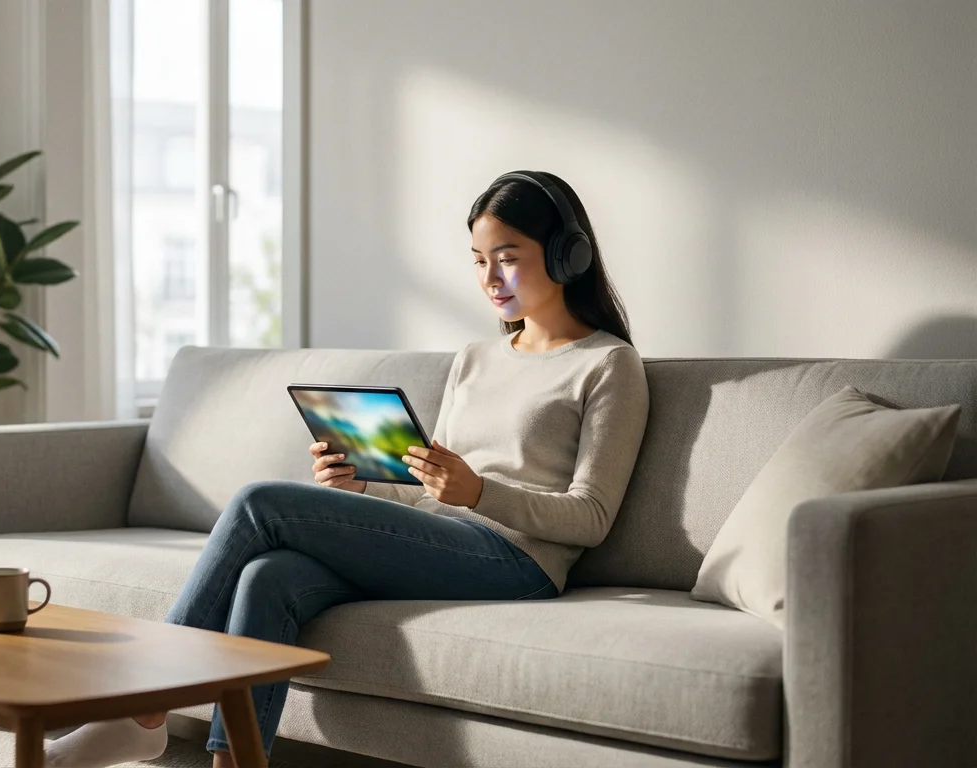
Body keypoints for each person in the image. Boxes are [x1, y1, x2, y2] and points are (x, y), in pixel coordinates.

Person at [43, 171, 651, 767]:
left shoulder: (607, 365)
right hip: (453, 539)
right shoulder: (476, 358)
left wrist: (480, 492)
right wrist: (362, 489)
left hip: (520, 563)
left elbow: (591, 518)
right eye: (477, 259)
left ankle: (140, 708)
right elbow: (431, 487)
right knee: (269, 576)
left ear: (568, 255)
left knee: (262, 503)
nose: (490, 278)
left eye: (507, 256)